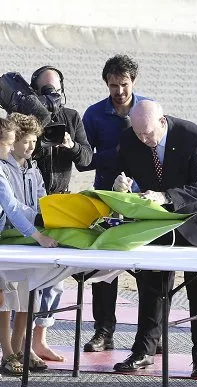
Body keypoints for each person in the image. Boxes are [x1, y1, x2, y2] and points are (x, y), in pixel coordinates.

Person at [111, 100, 197, 378]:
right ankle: (144, 351)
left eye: (148, 134)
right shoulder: (131, 138)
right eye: (139, 134)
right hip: (161, 221)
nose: (144, 140)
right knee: (152, 283)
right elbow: (123, 173)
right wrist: (121, 184)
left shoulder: (193, 136)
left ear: (162, 122)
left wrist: (166, 197)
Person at [77, 55, 148, 353]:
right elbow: (84, 161)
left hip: (142, 201)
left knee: (149, 270)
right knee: (103, 268)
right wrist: (115, 153)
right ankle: (103, 332)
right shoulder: (93, 114)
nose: (119, 91)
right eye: (113, 85)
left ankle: (149, 338)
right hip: (105, 198)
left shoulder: (148, 109)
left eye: (124, 84)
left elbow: (157, 150)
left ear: (134, 81)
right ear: (106, 83)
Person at [28, 65, 93, 362]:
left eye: (55, 90)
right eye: (45, 91)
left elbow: (87, 159)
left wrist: (70, 144)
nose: (52, 97)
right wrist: (39, 140)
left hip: (61, 203)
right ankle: (21, 342)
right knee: (27, 279)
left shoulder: (72, 117)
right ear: (34, 93)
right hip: (30, 206)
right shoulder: (26, 117)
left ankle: (40, 339)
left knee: (55, 279)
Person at [0, 116, 58, 375]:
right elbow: (12, 207)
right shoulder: (2, 168)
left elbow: (39, 199)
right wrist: (38, 234)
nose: (14, 147)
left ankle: (19, 347)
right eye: (13, 142)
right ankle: (8, 351)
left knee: (24, 292)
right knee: (4, 297)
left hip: (22, 238)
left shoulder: (32, 168)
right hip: (11, 238)